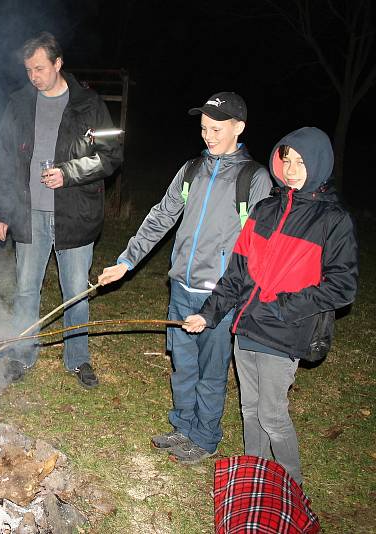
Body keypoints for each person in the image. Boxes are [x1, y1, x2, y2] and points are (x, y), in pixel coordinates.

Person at [98, 92, 273, 463]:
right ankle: (183, 426)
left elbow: (256, 249)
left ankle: (206, 437)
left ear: (239, 128)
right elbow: (162, 216)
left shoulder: (253, 179)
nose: (208, 136)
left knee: (211, 371)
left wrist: (225, 300)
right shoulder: (192, 170)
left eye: (216, 128)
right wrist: (127, 261)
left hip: (220, 297)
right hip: (181, 287)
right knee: (183, 363)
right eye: (204, 128)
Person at [183, 127, 358, 485]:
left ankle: (292, 489)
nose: (292, 170)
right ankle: (255, 482)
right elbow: (235, 274)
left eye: (301, 162)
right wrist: (208, 313)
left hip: (284, 333)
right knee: (249, 410)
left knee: (272, 415)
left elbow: (342, 286)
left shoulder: (332, 221)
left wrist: (284, 307)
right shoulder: (265, 210)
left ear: (320, 165)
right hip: (246, 328)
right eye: (286, 160)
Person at [0, 31, 122, 388]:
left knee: (76, 289)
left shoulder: (90, 105)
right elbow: (4, 160)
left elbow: (111, 155)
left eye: (39, 68)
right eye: (28, 69)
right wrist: (2, 212)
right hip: (28, 212)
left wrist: (69, 173)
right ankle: (20, 354)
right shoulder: (19, 104)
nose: (33, 76)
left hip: (75, 213)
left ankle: (78, 359)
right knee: (26, 289)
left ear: (58, 64)